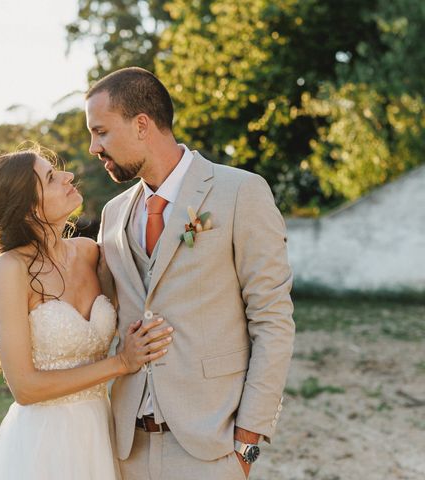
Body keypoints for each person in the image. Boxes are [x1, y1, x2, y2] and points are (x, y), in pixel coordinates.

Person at [87, 67, 295, 479]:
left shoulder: (240, 192)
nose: (94, 147)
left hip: (210, 448)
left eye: (101, 132)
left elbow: (272, 319)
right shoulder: (113, 214)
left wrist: (248, 441)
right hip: (126, 446)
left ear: (142, 124)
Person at [0, 147, 174, 480]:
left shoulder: (90, 251)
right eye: (51, 177)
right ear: (28, 207)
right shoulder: (10, 268)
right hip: (45, 443)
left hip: (102, 433)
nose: (68, 176)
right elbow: (25, 387)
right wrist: (121, 363)